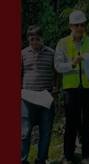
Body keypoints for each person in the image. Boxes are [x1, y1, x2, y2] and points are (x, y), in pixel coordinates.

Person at [54, 10, 89, 164]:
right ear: (70, 26)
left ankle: (86, 155)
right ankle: (68, 155)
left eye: (82, 24)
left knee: (88, 123)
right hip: (71, 89)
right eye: (76, 25)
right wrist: (72, 63)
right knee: (71, 123)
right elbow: (58, 66)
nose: (80, 27)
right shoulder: (62, 43)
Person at [21, 25, 56, 164]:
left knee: (45, 132)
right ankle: (22, 160)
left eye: (37, 39)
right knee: (24, 132)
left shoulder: (51, 53)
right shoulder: (22, 54)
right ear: (28, 40)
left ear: (42, 38)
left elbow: (57, 72)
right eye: (31, 39)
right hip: (26, 98)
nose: (34, 42)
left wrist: (55, 88)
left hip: (46, 97)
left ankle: (41, 160)